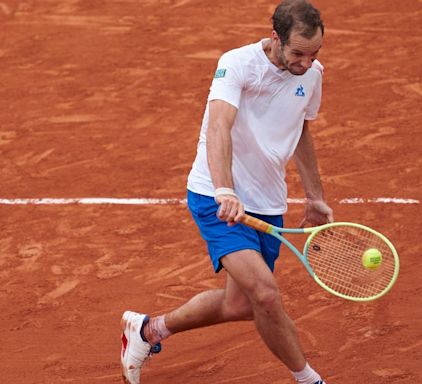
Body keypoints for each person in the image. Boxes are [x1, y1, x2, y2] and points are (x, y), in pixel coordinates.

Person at [121, 1, 333, 383]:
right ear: (275, 38)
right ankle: (308, 379)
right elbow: (219, 126)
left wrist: (315, 196)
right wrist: (224, 190)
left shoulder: (312, 74)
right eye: (298, 53)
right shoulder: (237, 64)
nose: (306, 62)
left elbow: (301, 129)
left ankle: (149, 330)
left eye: (314, 53)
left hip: (267, 201)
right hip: (216, 197)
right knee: (266, 296)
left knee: (240, 304)